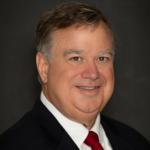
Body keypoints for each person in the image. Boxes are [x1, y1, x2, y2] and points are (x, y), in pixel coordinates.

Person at [0, 2, 150, 150]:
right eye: (76, 58)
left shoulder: (137, 143)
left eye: (102, 58)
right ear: (43, 68)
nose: (92, 74)